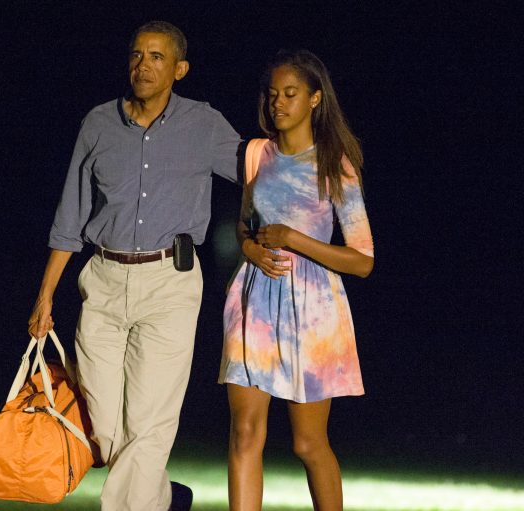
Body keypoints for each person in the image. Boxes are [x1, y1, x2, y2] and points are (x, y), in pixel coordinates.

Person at [27, 21, 274, 511]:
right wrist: (45, 295)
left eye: (157, 57)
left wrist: (266, 226)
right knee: (103, 430)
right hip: (103, 279)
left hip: (169, 282)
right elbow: (70, 216)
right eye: (137, 55)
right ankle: (163, 499)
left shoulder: (203, 124)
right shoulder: (98, 124)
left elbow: (260, 172)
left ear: (180, 69)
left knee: (150, 425)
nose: (143, 66)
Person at [218, 49, 374, 511]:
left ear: (314, 99)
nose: (278, 104)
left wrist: (293, 238)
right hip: (254, 303)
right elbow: (245, 224)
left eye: (290, 94)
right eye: (273, 95)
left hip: (313, 309)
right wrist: (250, 248)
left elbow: (363, 261)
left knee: (308, 443)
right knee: (245, 432)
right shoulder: (256, 154)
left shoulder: (334, 164)